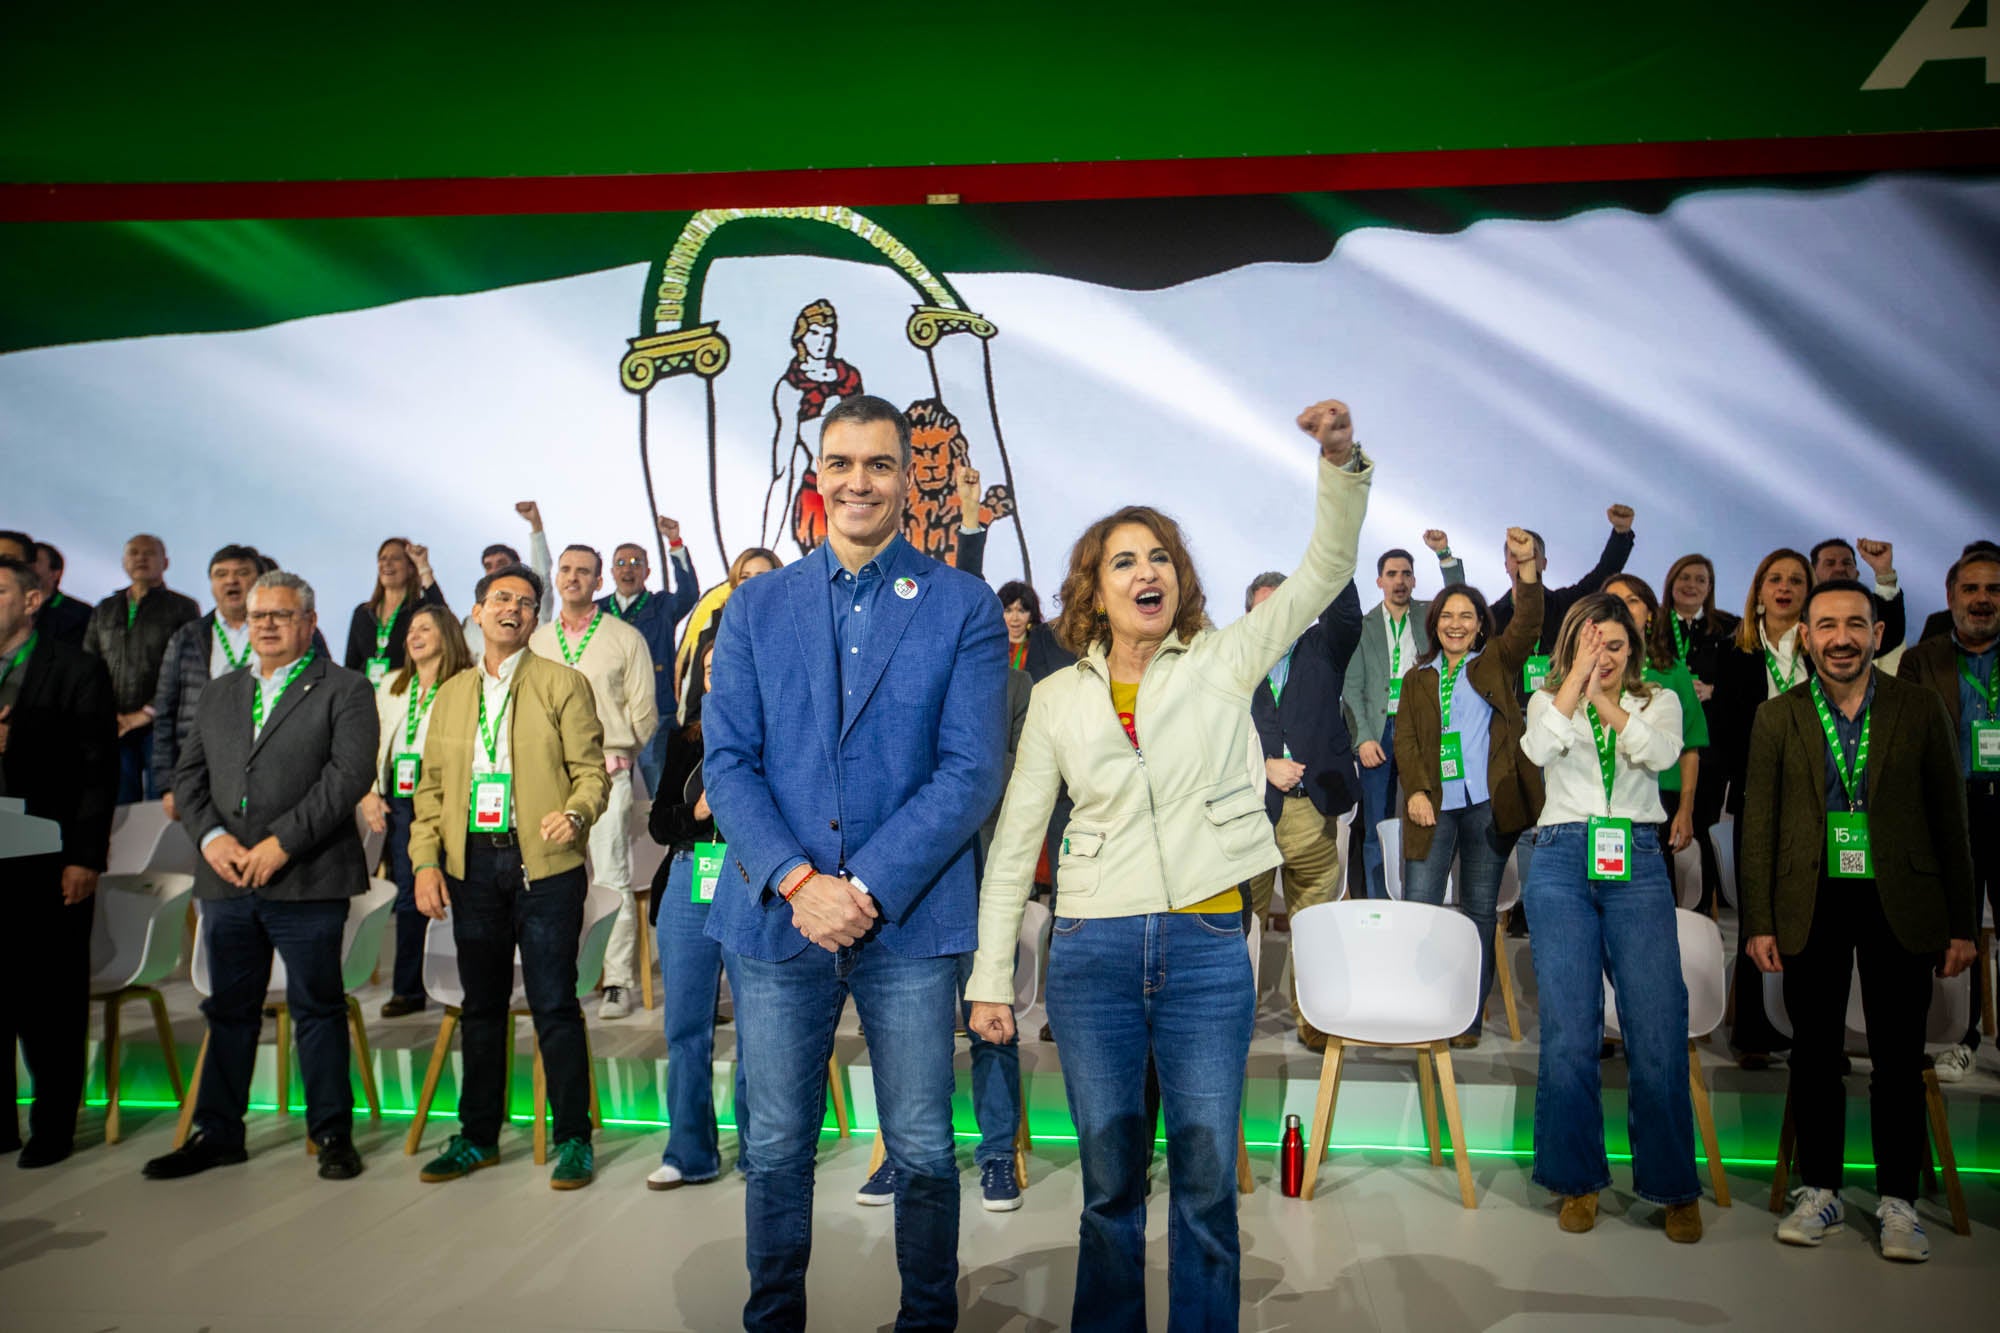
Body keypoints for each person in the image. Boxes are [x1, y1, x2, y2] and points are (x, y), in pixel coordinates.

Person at [968, 397, 1372, 1330]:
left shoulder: (1222, 662)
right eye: (1124, 560)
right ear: (1094, 589)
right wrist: (993, 976)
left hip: (1202, 945)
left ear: (1177, 580)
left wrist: (1340, 466)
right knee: (1108, 1183)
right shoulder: (1060, 698)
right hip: (1093, 953)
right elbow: (1012, 842)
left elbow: (1323, 572)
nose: (1145, 571)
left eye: (1159, 557)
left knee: (1202, 1176)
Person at [703, 392, 1008, 1331]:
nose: (858, 481)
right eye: (841, 463)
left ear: (907, 475)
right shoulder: (755, 605)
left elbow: (969, 771)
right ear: (818, 473)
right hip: (775, 917)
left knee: (919, 1144)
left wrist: (862, 888)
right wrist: (799, 880)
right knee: (778, 1144)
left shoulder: (963, 603)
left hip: (910, 922)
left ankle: (927, 1320)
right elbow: (728, 760)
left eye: (879, 464)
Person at [1744, 580, 1976, 1263]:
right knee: (1814, 1053)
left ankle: (1899, 1200)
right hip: (1806, 900)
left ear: (1877, 632)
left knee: (1898, 1059)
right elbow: (1758, 825)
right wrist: (1757, 917)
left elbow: (1949, 818)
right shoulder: (1777, 716)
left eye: (1854, 624)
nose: (1841, 637)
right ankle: (1819, 1189)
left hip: (1899, 900)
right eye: (1826, 625)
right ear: (1806, 636)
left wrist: (1961, 921)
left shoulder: (1919, 707)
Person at [145, 572, 378, 1182]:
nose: (267, 625)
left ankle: (331, 1132)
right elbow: (189, 777)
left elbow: (347, 777)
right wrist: (213, 838)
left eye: (281, 615)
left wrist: (282, 843)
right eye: (257, 616)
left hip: (307, 877)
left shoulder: (346, 689)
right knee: (228, 1010)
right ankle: (219, 1133)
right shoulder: (221, 692)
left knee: (317, 1009)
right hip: (227, 879)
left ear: (309, 621)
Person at [407, 562, 610, 1190]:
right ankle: (478, 1137)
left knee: (554, 1004)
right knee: (482, 1007)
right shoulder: (451, 694)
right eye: (501, 599)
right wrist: (424, 861)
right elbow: (432, 790)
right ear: (476, 612)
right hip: (471, 866)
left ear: (534, 618)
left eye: (526, 602)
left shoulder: (563, 683)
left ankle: (574, 1137)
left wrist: (576, 814)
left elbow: (591, 773)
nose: (513, 609)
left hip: (545, 868)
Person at [1518, 593, 1700, 1242]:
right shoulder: (1547, 698)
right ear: (1572, 648)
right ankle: (1577, 1179)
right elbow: (1540, 747)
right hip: (1562, 858)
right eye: (1594, 645)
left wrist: (1604, 700)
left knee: (1656, 1024)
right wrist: (1576, 681)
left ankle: (1674, 1183)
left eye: (1616, 646)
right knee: (1570, 1030)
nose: (1606, 656)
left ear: (1635, 650)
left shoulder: (1660, 700)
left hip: (1638, 860)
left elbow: (1658, 756)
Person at [1395, 535, 1544, 1048]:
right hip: (1430, 809)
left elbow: (1528, 620)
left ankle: (1466, 1017)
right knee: (1422, 908)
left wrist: (1525, 568)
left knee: (1480, 913)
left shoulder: (1497, 663)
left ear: (1481, 623)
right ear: (1434, 625)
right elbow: (1407, 741)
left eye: (1466, 616)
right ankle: (1418, 1009)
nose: (1455, 624)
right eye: (1446, 616)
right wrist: (1415, 789)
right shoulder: (1418, 678)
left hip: (1487, 808)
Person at [0, 555, 118, 1167]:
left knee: (48, 1000)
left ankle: (52, 1125)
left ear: (32, 600)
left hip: (46, 856)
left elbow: (98, 772)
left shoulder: (76, 670)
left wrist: (84, 857)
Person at [531, 544, 658, 1021]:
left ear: (598, 582)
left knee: (611, 877)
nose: (573, 578)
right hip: (548, 778)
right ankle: (562, 974)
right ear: (556, 577)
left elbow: (644, 711)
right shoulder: (539, 640)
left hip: (608, 774)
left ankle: (618, 981)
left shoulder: (623, 637)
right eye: (565, 570)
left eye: (583, 572)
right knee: (553, 882)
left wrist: (620, 754)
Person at [644, 633, 749, 1189]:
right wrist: (697, 809)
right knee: (686, 1026)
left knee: (759, 1027)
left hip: (755, 876)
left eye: (728, 664)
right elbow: (660, 823)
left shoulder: (774, 728)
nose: (717, 674)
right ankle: (689, 1153)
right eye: (709, 667)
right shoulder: (683, 739)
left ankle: (763, 1153)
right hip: (690, 875)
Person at [1244, 564, 1363, 1050]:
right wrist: (1264, 764)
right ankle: (1231, 1017)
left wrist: (1337, 557)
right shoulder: (1233, 661)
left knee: (1312, 922)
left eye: (1281, 604)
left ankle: (1312, 1019)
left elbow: (1349, 615)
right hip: (1249, 812)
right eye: (1262, 608)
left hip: (1310, 810)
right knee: (1238, 924)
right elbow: (1216, 735)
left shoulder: (1323, 648)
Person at [1895, 548, 1999, 1084]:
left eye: (1993, 590)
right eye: (1972, 589)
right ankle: (1964, 1038)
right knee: (1956, 932)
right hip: (1950, 812)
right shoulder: (1923, 659)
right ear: (1951, 595)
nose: (1982, 600)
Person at [1709, 548, 1813, 1067]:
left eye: (1796, 580)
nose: (1786, 587)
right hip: (1758, 793)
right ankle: (1753, 1033)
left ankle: (1812, 1034)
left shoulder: (1823, 649)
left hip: (1819, 797)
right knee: (1758, 912)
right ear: (1759, 589)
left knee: (1814, 915)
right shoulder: (1736, 652)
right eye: (1775, 578)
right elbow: (1724, 728)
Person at [150, 545, 335, 821]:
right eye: (220, 574)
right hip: (207, 768)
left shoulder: (298, 630)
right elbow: (165, 713)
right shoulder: (188, 636)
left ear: (260, 579)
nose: (231, 581)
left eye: (242, 573)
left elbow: (324, 693)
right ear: (212, 583)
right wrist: (168, 783)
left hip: (281, 769)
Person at [359, 603, 471, 1017]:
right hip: (399, 798)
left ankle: (458, 987)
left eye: (425, 628)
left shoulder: (466, 683)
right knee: (410, 894)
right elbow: (370, 742)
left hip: (451, 793)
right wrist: (369, 791)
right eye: (410, 630)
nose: (414, 635)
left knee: (456, 889)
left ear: (447, 633)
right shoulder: (391, 684)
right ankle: (408, 989)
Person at [1342, 533, 1465, 898]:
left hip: (1420, 728)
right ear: (1379, 581)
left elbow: (1461, 598)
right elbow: (1353, 687)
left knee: (1428, 814)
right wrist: (1362, 736)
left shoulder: (1430, 615)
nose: (1399, 580)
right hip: (1378, 732)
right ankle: (1379, 903)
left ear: (1414, 580)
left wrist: (1444, 554)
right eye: (1392, 573)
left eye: (1406, 573)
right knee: (1376, 821)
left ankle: (1423, 897)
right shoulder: (1363, 627)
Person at [1605, 574, 1709, 896]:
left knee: (1651, 899)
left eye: (1632, 600)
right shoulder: (1590, 669)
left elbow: (1690, 746)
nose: (1622, 606)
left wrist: (1686, 810)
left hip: (1661, 800)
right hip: (1603, 800)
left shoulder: (1671, 672)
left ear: (1650, 612)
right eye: (1614, 600)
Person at [81, 533, 200, 803]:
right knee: (120, 802)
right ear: (124, 561)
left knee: (162, 803)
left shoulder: (182, 607)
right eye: (133, 553)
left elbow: (188, 667)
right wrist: (106, 712)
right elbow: (88, 665)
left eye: (149, 553)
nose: (141, 559)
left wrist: (147, 712)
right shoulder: (105, 609)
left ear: (165, 562)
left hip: (161, 724)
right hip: (114, 725)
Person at [1658, 553, 1737, 912]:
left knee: (1702, 830)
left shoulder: (1728, 630)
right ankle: (1663, 909)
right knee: (1660, 831)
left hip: (1708, 751)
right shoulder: (1653, 628)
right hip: (1662, 748)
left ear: (1710, 588)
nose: (1691, 585)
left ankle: (1703, 913)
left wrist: (1714, 690)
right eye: (1684, 578)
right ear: (1671, 583)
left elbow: (1742, 685)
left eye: (1700, 580)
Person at [600, 515, 699, 796]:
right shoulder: (597, 611)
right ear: (611, 571)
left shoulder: (663, 605)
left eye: (636, 563)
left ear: (648, 571)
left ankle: (668, 841)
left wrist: (675, 542)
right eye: (621, 563)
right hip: (610, 714)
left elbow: (690, 593)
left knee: (660, 789)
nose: (628, 569)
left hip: (654, 711)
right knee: (607, 796)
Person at [1490, 505, 1636, 657]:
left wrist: (1620, 533)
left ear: (1544, 563)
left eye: (1531, 553)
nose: (1523, 559)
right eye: (1515, 554)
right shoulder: (1489, 620)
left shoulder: (1566, 604)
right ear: (1506, 566)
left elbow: (1603, 574)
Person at [673, 545, 784, 726]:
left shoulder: (795, 625)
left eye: (761, 576)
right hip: (725, 733)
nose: (751, 584)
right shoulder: (714, 626)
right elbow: (695, 694)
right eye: (744, 577)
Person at [343, 537, 447, 685]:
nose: (387, 563)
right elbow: (351, 666)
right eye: (382, 558)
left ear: (411, 568)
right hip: (365, 699)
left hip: (405, 695)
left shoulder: (421, 610)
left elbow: (446, 619)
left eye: (395, 558)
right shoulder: (363, 613)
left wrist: (423, 566)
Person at [464, 502, 555, 656]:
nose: (494, 570)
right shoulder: (473, 623)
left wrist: (536, 525)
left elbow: (542, 575)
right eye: (488, 566)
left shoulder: (530, 608)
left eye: (502, 563)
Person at [1809, 538, 1907, 655]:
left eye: (1847, 563)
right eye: (1830, 563)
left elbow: (1891, 635)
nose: (1840, 569)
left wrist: (1884, 571)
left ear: (1857, 574)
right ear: (1813, 573)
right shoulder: (1796, 611)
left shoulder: (1870, 611)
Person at [30, 541, 91, 647]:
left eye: (36, 561)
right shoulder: (9, 606)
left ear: (55, 574)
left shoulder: (81, 614)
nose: (28, 566)